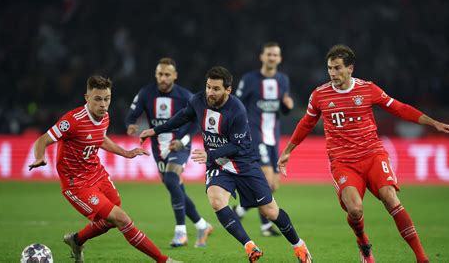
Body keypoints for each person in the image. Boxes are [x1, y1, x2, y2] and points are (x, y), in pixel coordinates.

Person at [278, 44, 449, 263]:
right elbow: (306, 123)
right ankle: (363, 243)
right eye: (329, 68)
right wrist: (288, 150)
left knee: (391, 199)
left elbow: (400, 108)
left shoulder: (368, 89)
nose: (332, 73)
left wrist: (434, 123)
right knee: (355, 210)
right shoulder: (319, 95)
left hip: (373, 155)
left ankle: (422, 258)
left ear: (350, 69)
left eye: (337, 68)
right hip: (343, 162)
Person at [140, 66, 313, 263]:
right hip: (218, 165)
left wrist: (210, 154)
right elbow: (182, 117)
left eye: (215, 89)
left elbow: (236, 145)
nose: (210, 93)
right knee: (216, 200)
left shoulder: (237, 109)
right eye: (208, 87)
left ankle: (299, 245)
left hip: (244, 163)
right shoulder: (198, 100)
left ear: (228, 90)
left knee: (270, 211)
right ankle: (250, 246)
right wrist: (155, 130)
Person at [28, 75, 180, 263]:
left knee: (111, 218)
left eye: (107, 99)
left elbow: (100, 138)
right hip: (77, 184)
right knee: (122, 218)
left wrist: (125, 153)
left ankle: (76, 240)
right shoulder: (72, 121)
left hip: (97, 174)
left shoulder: (105, 116)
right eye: (98, 99)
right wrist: (40, 157)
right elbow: (42, 139)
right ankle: (163, 260)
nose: (103, 104)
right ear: (87, 98)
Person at [125, 57, 213, 248]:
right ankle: (202, 225)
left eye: (167, 74)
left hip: (180, 145)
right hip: (158, 149)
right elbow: (131, 114)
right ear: (156, 75)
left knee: (173, 180)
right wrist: (130, 124)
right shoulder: (146, 93)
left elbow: (197, 121)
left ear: (175, 75)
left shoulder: (185, 96)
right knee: (176, 188)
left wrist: (184, 141)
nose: (163, 78)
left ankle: (181, 232)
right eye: (160, 74)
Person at [233, 41, 294, 237]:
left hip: (273, 137)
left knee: (274, 184)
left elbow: (282, 109)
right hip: (254, 135)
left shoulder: (283, 80)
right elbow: (236, 104)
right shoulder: (250, 79)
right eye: (269, 54)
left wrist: (287, 106)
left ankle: (240, 210)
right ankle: (266, 226)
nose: (272, 58)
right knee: (266, 179)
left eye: (275, 55)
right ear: (262, 56)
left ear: (280, 58)